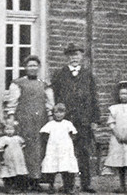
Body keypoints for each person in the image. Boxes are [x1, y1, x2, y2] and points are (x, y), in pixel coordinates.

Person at [50, 43, 100, 193]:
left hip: (83, 120)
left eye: (77, 55)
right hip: (66, 121)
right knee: (66, 151)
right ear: (67, 57)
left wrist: (95, 119)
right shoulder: (59, 74)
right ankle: (68, 184)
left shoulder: (87, 74)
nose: (74, 58)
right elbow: (55, 97)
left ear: (81, 57)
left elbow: (93, 98)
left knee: (84, 152)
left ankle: (86, 183)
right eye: (71, 55)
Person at [6, 55, 54, 191]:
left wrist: (50, 118)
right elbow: (12, 102)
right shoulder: (18, 83)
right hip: (23, 120)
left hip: (40, 121)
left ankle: (35, 180)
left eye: (35, 66)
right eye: (30, 65)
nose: (32, 68)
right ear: (25, 67)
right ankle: (22, 180)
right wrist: (11, 116)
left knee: (38, 150)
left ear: (38, 68)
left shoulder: (44, 84)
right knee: (23, 149)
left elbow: (49, 103)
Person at [40, 103, 79, 195]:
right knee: (51, 168)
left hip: (65, 149)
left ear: (65, 113)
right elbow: (43, 134)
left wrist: (69, 142)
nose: (59, 115)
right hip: (53, 149)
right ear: (53, 113)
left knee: (66, 167)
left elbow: (74, 134)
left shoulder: (67, 123)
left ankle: (68, 187)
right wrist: (50, 142)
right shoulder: (50, 124)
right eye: (56, 112)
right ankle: (51, 185)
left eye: (61, 112)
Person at [0, 122, 28, 193]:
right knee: (8, 173)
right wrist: (1, 159)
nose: (9, 131)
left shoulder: (18, 138)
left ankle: (18, 187)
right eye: (7, 129)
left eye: (11, 129)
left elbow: (23, 146)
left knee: (18, 172)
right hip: (8, 159)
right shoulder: (3, 139)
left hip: (17, 159)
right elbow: (0, 150)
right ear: (4, 130)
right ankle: (8, 188)